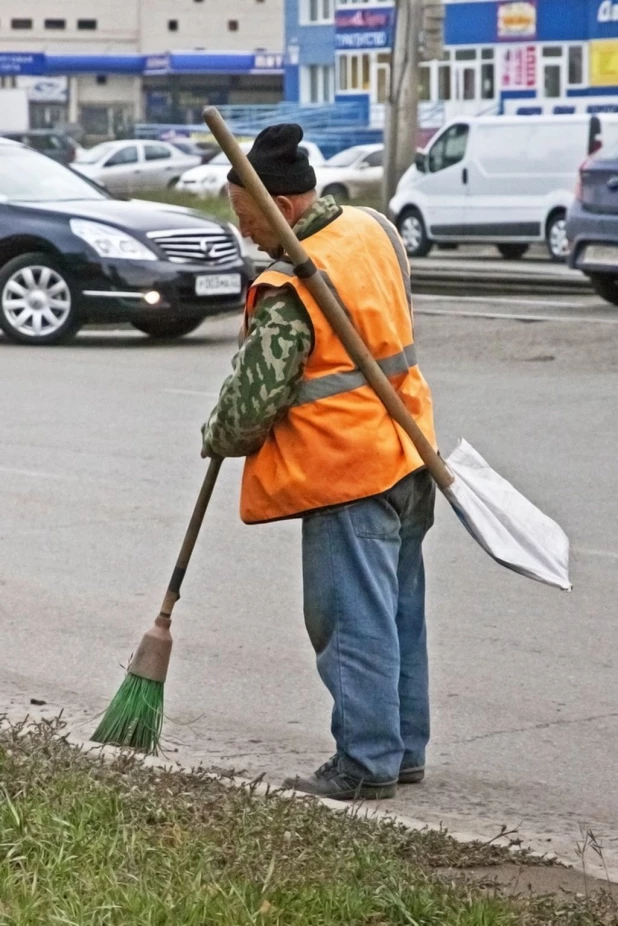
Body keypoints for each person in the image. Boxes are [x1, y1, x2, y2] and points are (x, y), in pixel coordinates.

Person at [202, 124, 437, 801]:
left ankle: (364, 764)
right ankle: (403, 749)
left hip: (346, 472)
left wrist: (217, 433)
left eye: (248, 217)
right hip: (407, 449)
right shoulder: (370, 232)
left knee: (351, 621)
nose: (244, 231)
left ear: (285, 206)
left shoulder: (292, 284)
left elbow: (251, 406)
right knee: (398, 611)